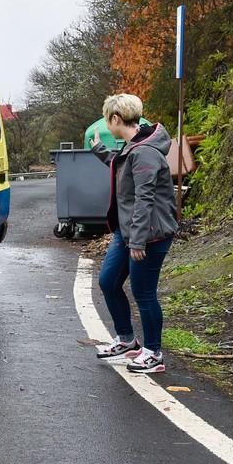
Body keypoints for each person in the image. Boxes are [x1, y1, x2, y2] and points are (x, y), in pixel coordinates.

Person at [90, 93, 178, 373]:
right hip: (129, 231)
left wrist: (138, 241)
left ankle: (153, 353)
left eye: (108, 119)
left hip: (150, 234)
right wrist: (100, 151)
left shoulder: (145, 152)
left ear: (116, 119)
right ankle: (127, 340)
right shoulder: (135, 146)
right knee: (108, 282)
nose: (107, 124)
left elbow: (145, 199)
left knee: (144, 292)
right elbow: (123, 168)